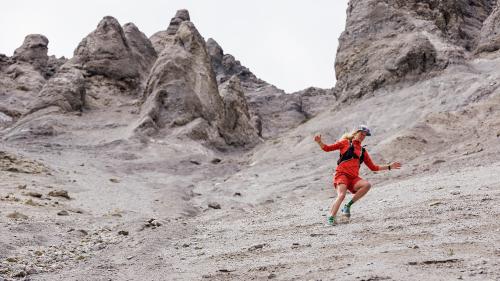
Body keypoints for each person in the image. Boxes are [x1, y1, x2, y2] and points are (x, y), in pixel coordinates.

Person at [314, 125, 401, 226]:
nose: (362, 137)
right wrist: (319, 142)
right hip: (342, 175)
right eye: (361, 134)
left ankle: (347, 206)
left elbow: (373, 167)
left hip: (353, 178)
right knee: (341, 195)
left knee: (367, 185)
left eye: (364, 135)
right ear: (355, 133)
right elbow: (327, 148)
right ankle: (331, 218)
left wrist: (389, 166)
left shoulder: (362, 151)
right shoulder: (345, 142)